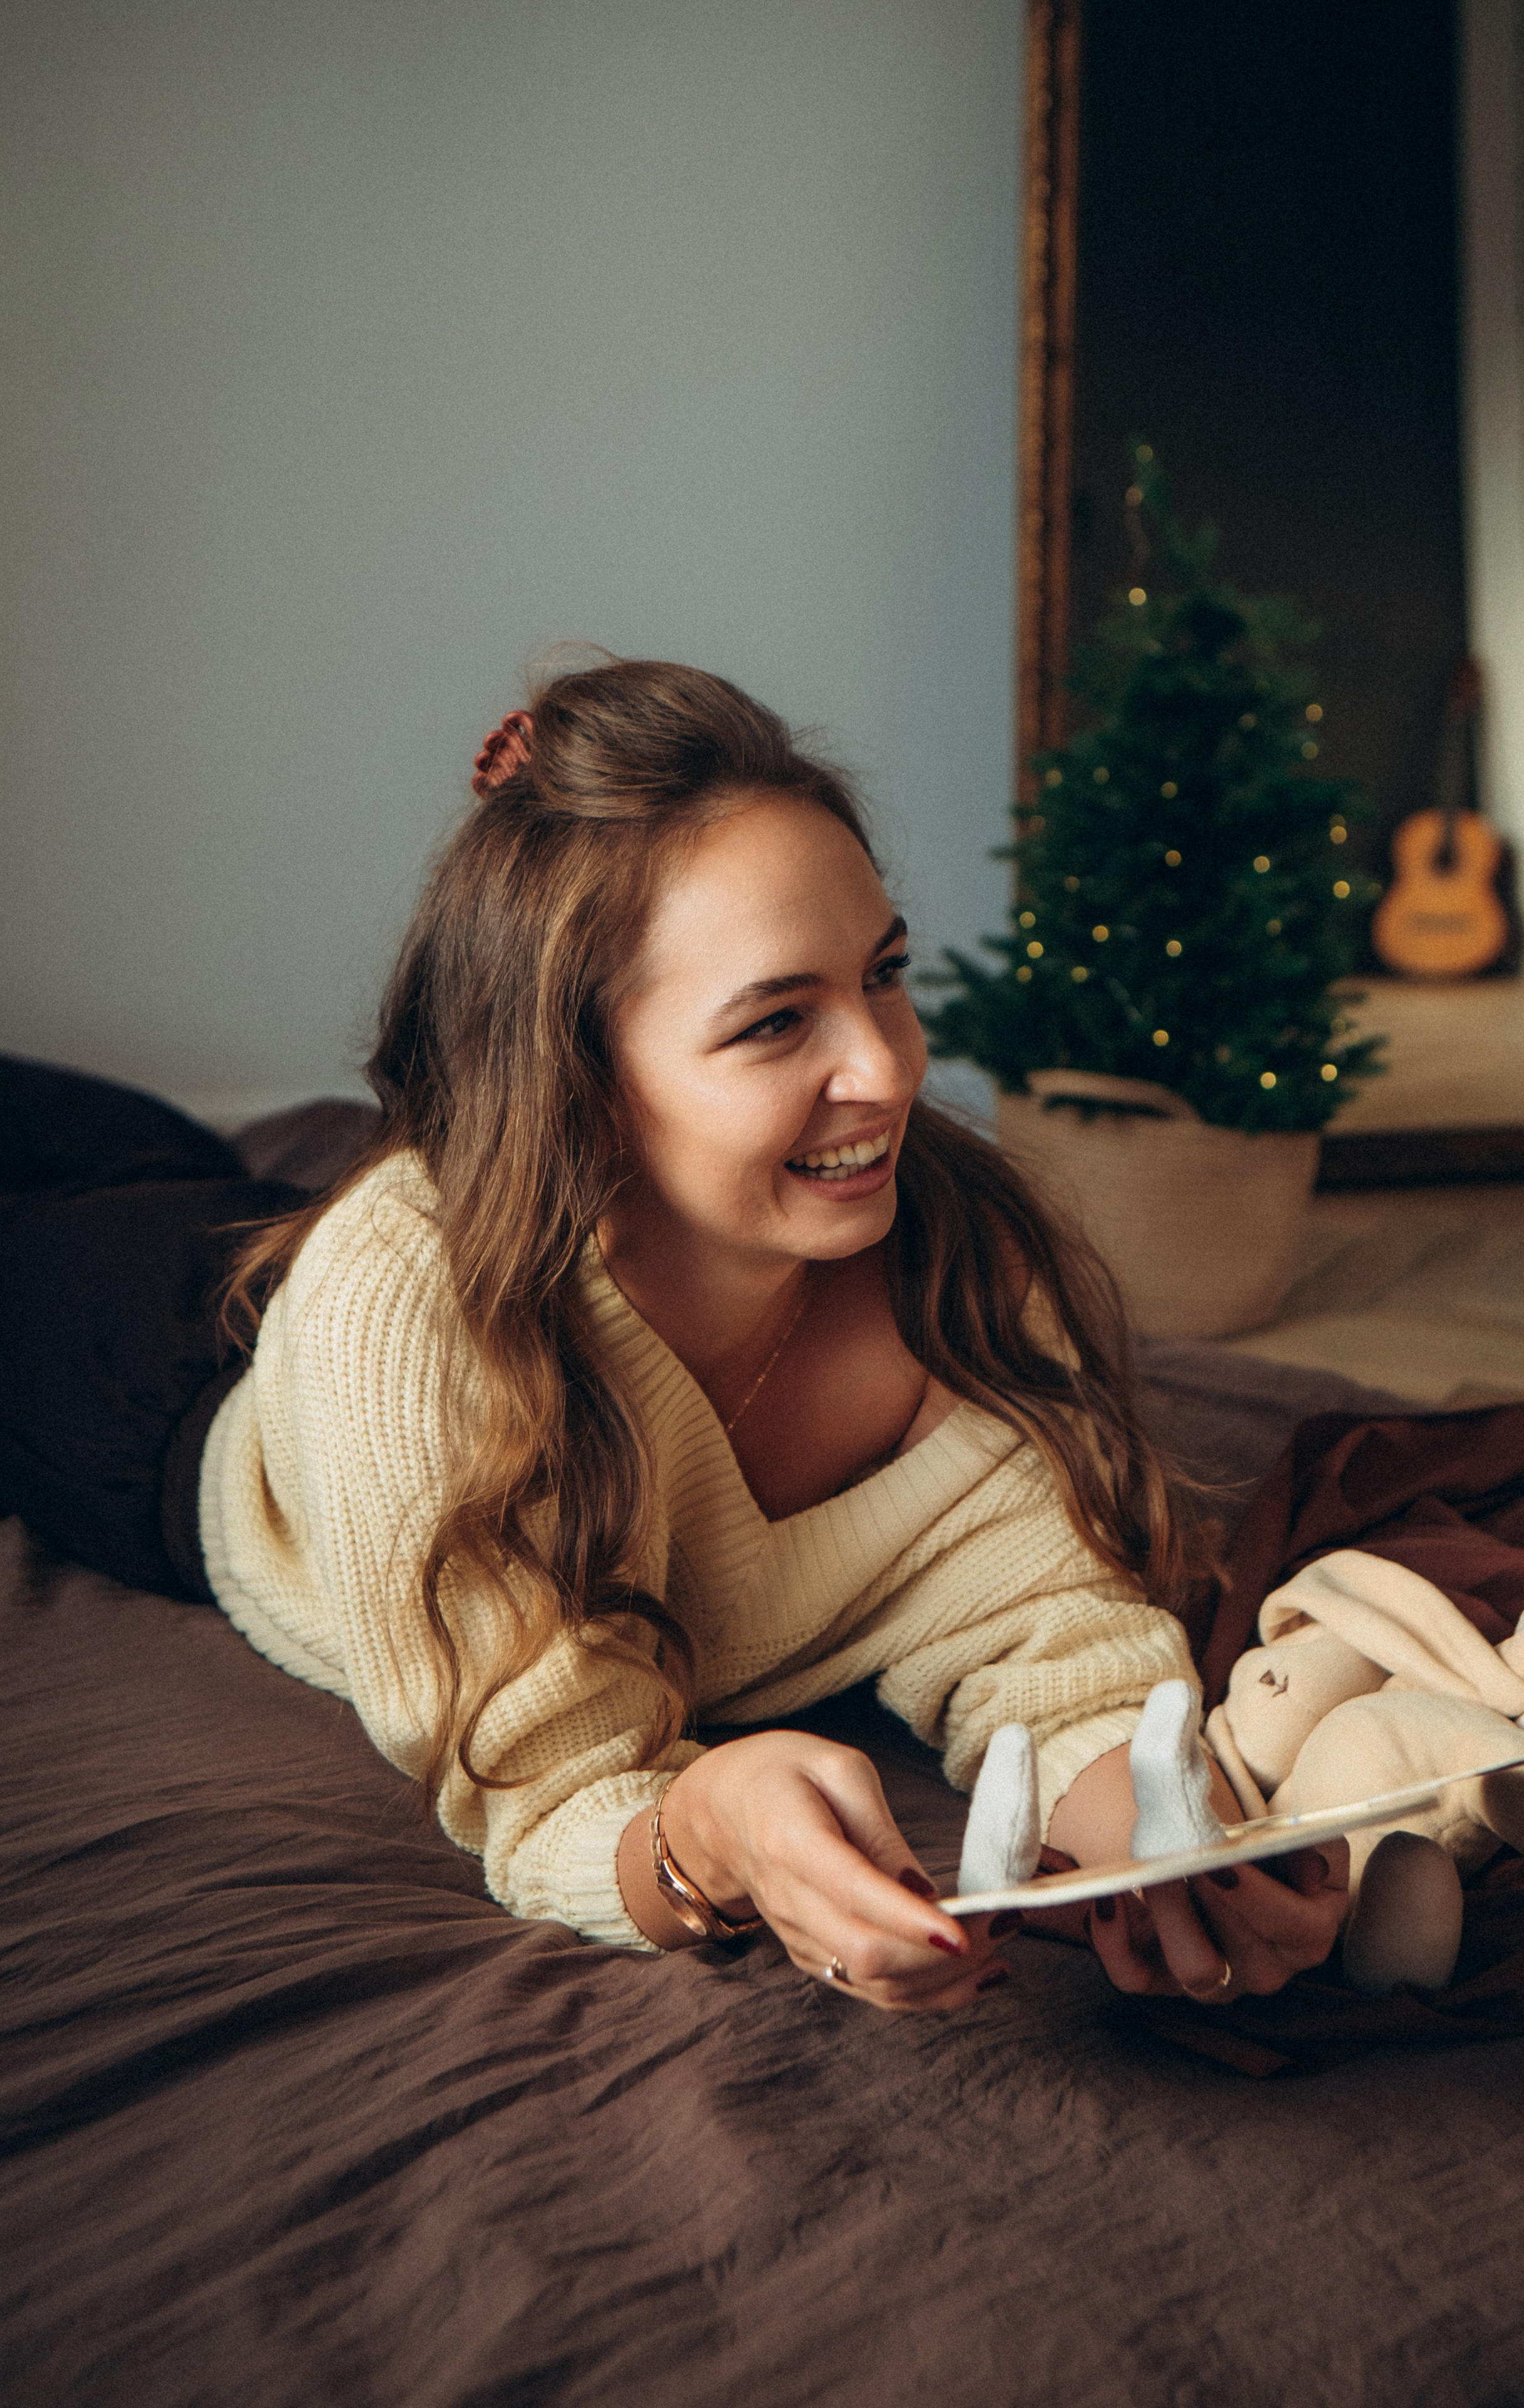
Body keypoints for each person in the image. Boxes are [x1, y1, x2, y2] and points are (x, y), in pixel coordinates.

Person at [1, 656, 1348, 2011]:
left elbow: (1053, 1631)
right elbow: (550, 1800)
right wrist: (707, 1832)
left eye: (881, 975)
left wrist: (1157, 1842)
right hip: (155, 1382)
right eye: (775, 1023)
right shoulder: (406, 1311)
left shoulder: (956, 1255)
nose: (887, 1070)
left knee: (159, 1153)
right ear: (573, 1081)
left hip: (316, 1238)